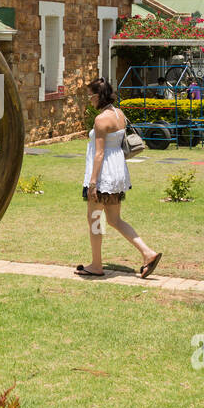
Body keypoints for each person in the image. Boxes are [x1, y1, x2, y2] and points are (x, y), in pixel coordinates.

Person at [77, 77, 162, 279]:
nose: (89, 100)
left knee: (95, 217)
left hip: (103, 174)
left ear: (98, 96)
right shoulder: (119, 114)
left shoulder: (100, 119)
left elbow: (99, 153)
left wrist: (92, 183)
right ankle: (147, 253)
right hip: (117, 173)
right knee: (114, 219)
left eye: (90, 96)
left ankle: (96, 265)